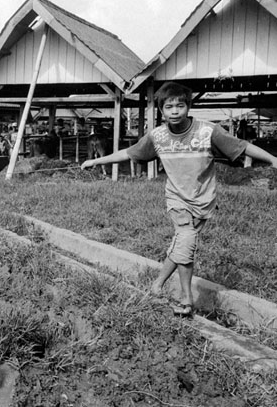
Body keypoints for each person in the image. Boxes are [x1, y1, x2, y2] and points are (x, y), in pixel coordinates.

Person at [81, 81, 277, 316]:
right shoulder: (158, 136)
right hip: (176, 199)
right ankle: (186, 299)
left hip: (203, 199)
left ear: (188, 107)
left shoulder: (208, 131)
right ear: (161, 111)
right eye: (169, 107)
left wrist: (273, 159)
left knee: (183, 245)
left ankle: (157, 284)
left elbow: (242, 146)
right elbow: (129, 152)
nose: (175, 112)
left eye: (180, 106)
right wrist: (95, 161)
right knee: (187, 242)